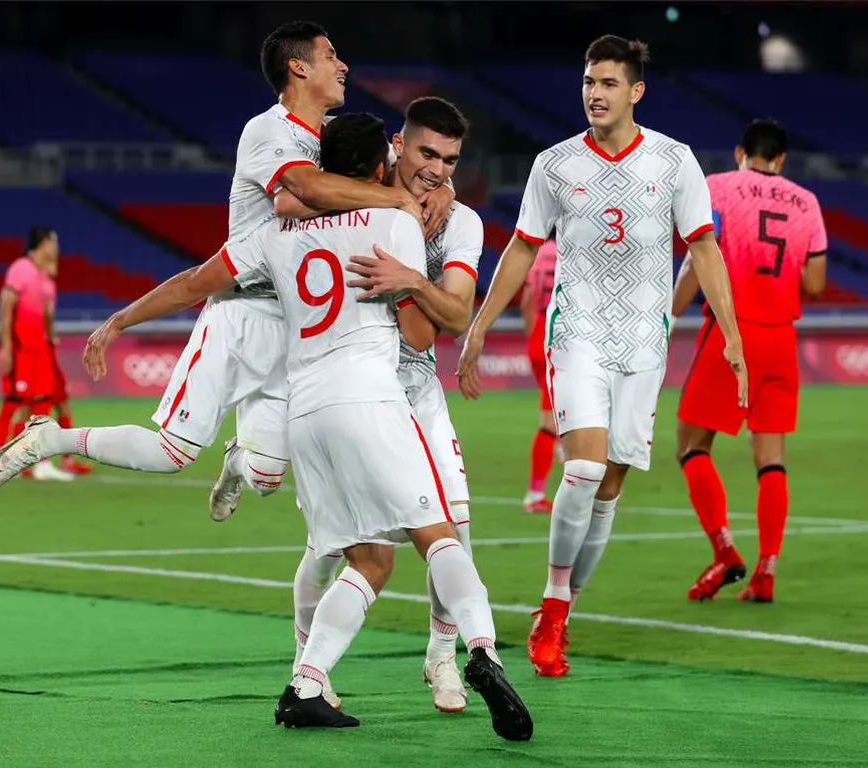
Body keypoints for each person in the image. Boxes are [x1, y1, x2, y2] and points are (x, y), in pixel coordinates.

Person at [57, 113, 532, 740]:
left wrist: (122, 318)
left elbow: (199, 281)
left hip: (302, 412)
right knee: (439, 534)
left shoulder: (278, 233)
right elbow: (424, 330)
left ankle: (304, 685)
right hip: (371, 397)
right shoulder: (397, 221)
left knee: (364, 559)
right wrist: (413, 271)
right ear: (381, 165)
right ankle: (481, 652)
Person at [0, 21, 450, 495]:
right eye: (330, 55)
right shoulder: (267, 131)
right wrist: (122, 320)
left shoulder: (337, 138)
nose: (343, 64)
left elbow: (415, 167)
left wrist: (443, 192)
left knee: (267, 479)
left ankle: (238, 459)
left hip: (300, 320)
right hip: (240, 307)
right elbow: (300, 192)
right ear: (298, 67)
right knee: (172, 454)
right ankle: (52, 437)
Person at [456, 34, 747, 678]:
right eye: (589, 81)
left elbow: (704, 250)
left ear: (636, 91)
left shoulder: (674, 162)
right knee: (583, 473)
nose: (595, 92)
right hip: (579, 332)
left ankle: (564, 606)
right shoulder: (555, 165)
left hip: (645, 342)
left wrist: (729, 332)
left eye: (609, 83)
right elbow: (524, 249)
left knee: (609, 489)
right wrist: (479, 326)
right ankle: (553, 612)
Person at [278, 96, 484, 714]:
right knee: (327, 551)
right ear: (397, 146)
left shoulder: (460, 222)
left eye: (450, 160)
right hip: (349, 391)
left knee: (457, 530)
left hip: (414, 393)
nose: (437, 170)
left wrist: (414, 278)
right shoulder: (356, 191)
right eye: (426, 153)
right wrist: (396, 209)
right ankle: (305, 665)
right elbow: (287, 200)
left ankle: (442, 658)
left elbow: (452, 317)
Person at [670, 119, 827, 604]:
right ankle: (766, 571)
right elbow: (817, 284)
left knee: (691, 445)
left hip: (731, 334)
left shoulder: (716, 187)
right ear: (781, 159)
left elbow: (700, 257)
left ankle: (724, 551)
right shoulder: (808, 202)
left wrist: (669, 314)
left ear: (741, 152)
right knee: (771, 459)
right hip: (781, 337)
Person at [0, 227, 73, 483]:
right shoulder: (21, 268)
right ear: (43, 243)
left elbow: (46, 313)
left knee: (42, 402)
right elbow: (5, 308)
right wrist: (6, 347)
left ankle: (39, 462)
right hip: (22, 350)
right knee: (15, 403)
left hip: (40, 350)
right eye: (53, 242)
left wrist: (50, 338)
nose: (56, 247)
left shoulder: (42, 274)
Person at [520, 238, 559, 514]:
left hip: (538, 335)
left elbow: (525, 302)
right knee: (549, 420)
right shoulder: (573, 250)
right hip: (560, 338)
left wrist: (534, 337)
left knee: (558, 411)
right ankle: (534, 494)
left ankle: (564, 449)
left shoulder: (539, 253)